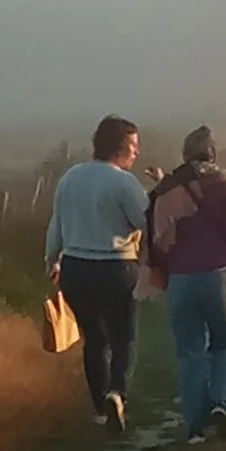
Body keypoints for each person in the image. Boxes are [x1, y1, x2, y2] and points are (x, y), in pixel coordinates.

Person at [144, 123, 226, 444]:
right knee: (222, 344)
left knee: (189, 352)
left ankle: (195, 427)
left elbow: (157, 242)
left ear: (184, 153)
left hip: (181, 281)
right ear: (213, 153)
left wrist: (160, 276)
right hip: (219, 277)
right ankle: (220, 404)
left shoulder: (166, 190)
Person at [46, 115, 149, 429]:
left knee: (94, 339)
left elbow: (57, 224)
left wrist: (52, 260)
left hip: (76, 268)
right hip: (117, 266)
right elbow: (147, 222)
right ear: (120, 147)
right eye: (133, 146)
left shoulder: (70, 178)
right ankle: (117, 393)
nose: (137, 153)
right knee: (124, 338)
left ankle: (99, 409)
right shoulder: (124, 182)